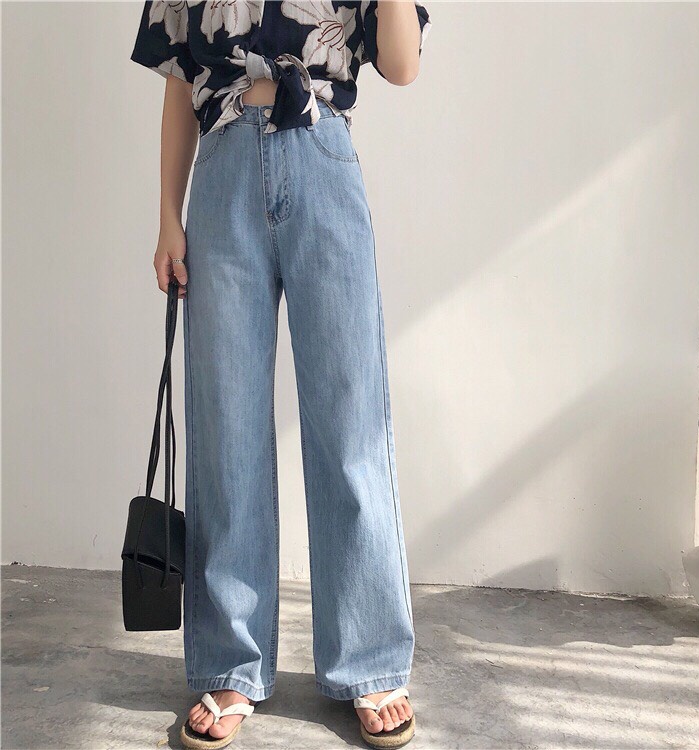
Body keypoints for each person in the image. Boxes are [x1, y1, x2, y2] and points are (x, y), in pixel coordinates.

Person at [131, 2, 430, 748]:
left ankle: (369, 658)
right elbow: (179, 82)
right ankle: (232, 660)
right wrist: (168, 215)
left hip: (323, 157)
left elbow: (401, 65)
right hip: (222, 172)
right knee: (226, 426)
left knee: (351, 421)